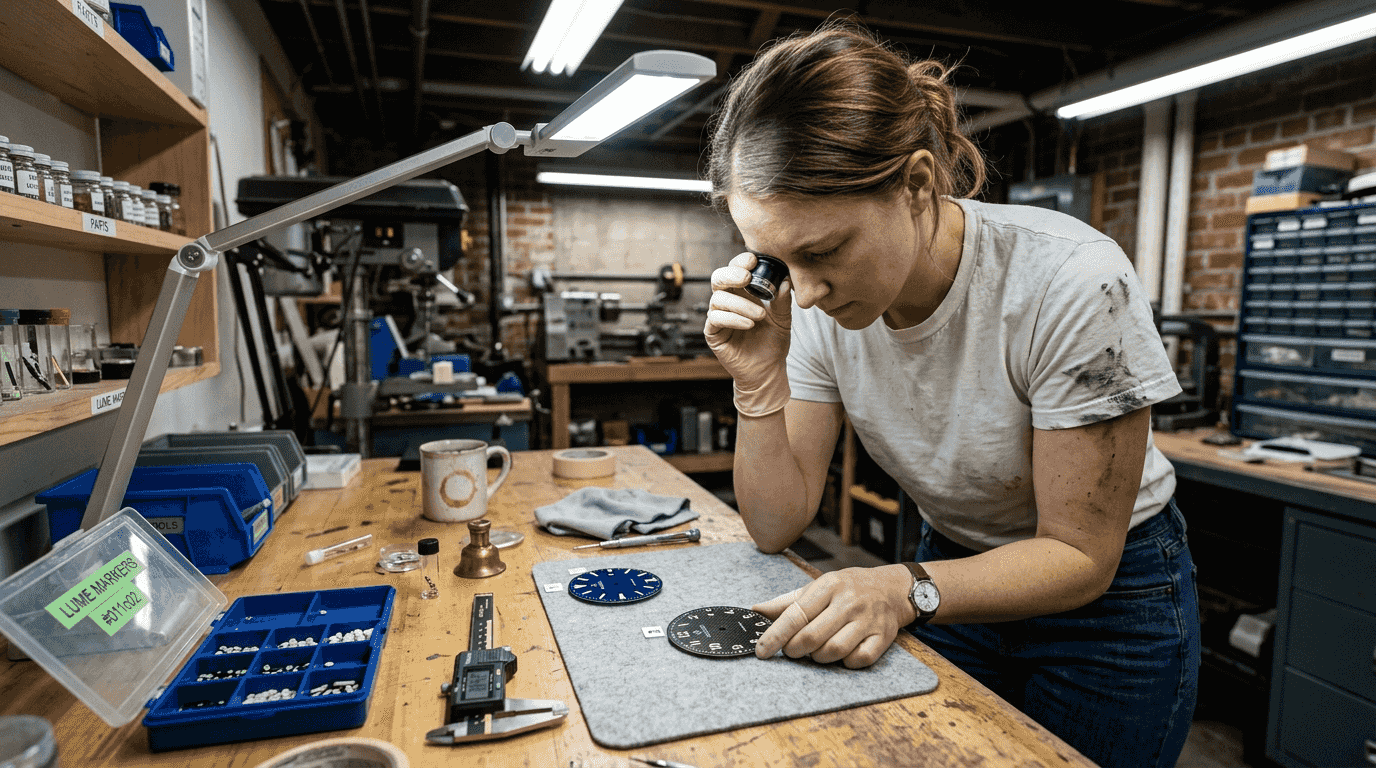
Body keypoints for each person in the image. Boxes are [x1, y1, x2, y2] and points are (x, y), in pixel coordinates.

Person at [703, 23, 1200, 768]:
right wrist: (760, 380)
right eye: (776, 260)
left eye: (824, 251)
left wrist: (901, 590)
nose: (802, 293)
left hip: (1108, 603)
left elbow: (1079, 556)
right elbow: (776, 524)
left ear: (916, 183)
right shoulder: (816, 305)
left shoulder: (1068, 281)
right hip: (949, 566)